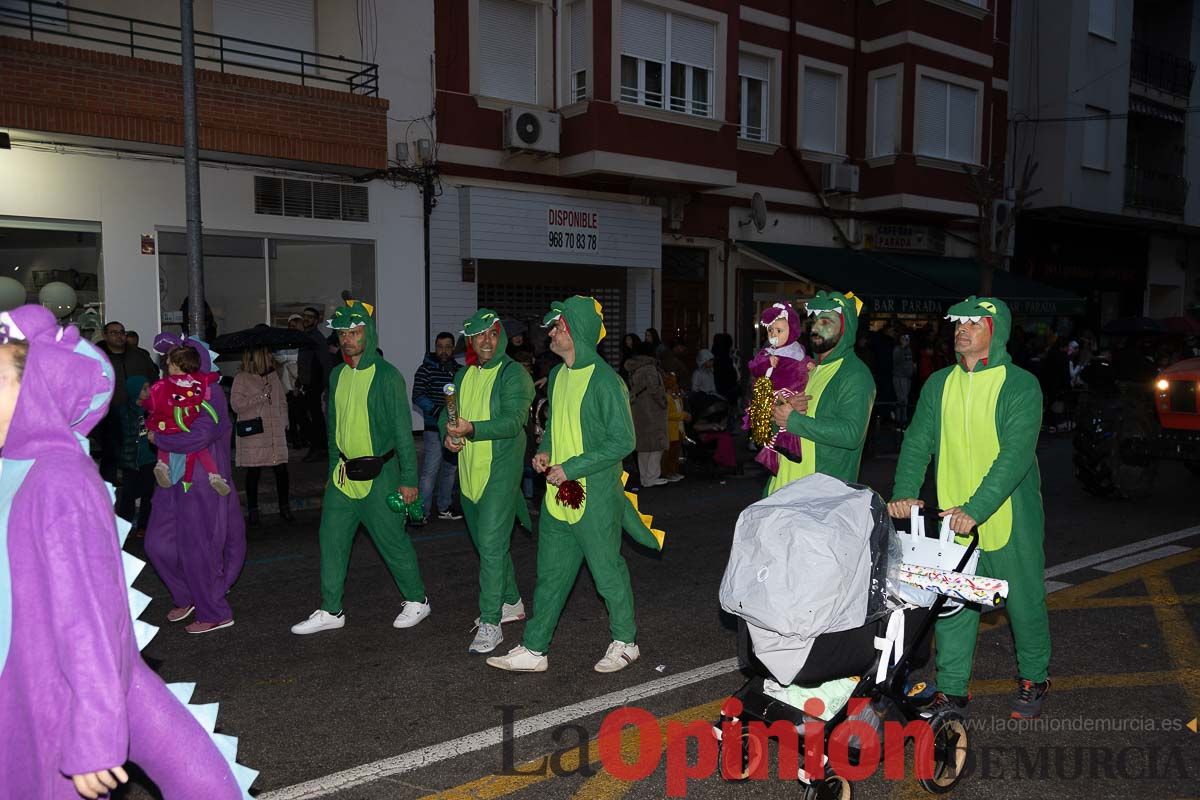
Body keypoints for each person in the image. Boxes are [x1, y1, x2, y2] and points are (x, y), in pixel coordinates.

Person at [0, 305, 254, 800]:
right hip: (24, 680)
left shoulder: (59, 478)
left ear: (37, 389)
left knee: (201, 550)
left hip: (53, 692)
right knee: (164, 545)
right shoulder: (16, 469)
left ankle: (212, 606)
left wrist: (93, 737)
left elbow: (88, 618)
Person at [888, 296, 1051, 720]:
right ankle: (953, 689)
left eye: (974, 324)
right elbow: (917, 441)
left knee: (1024, 600)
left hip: (1008, 516)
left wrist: (977, 506)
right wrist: (905, 491)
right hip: (952, 519)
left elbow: (1015, 455)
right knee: (953, 605)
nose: (962, 330)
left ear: (995, 332)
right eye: (958, 324)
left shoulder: (1020, 385)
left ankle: (1035, 676)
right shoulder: (939, 383)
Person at [488, 296, 660, 674]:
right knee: (549, 576)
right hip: (557, 496)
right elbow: (554, 425)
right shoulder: (556, 375)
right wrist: (546, 452)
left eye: (558, 327)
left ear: (577, 331)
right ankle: (535, 649)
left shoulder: (606, 381)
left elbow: (623, 441)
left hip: (595, 495)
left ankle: (626, 641)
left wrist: (573, 466)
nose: (550, 333)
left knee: (607, 573)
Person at [291, 300, 430, 635]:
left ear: (368, 333)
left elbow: (402, 432)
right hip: (342, 475)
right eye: (342, 334)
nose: (348, 339)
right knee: (331, 539)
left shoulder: (387, 376)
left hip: (381, 475)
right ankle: (331, 610)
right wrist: (329, 475)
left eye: (354, 332)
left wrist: (409, 480)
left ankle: (417, 600)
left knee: (392, 541)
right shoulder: (337, 374)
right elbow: (332, 429)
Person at [440, 309, 536, 654]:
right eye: (479, 335)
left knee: (492, 546)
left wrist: (473, 429)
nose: (486, 341)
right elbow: (445, 416)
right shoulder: (463, 375)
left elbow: (512, 422)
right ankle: (511, 602)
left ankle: (491, 621)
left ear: (502, 337)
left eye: (492, 334)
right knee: (487, 546)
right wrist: (448, 437)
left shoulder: (515, 375)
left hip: (500, 471)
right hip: (469, 474)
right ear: (470, 340)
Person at [144, 339, 246, 635]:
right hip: (170, 481)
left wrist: (158, 439)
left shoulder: (211, 393)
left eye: (173, 364)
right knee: (156, 544)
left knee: (200, 551)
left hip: (202, 484)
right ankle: (189, 596)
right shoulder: (169, 390)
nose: (169, 370)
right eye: (167, 365)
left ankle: (214, 611)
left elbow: (199, 436)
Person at [767, 290, 875, 494]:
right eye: (814, 321)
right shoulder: (805, 367)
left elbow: (851, 434)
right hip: (781, 489)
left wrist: (793, 420)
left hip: (819, 500)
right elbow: (777, 429)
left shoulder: (855, 374)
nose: (816, 327)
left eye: (826, 322)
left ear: (845, 328)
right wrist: (777, 412)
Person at [143, 346, 232, 496]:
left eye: (170, 364)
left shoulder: (168, 384)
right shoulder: (200, 382)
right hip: (186, 429)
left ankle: (162, 466)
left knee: (169, 442)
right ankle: (214, 476)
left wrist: (156, 434)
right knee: (201, 452)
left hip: (195, 476)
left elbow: (201, 436)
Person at [745, 302, 814, 474]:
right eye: (770, 330)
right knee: (781, 419)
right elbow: (754, 367)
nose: (773, 334)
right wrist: (766, 362)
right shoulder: (767, 352)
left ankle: (789, 448)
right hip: (776, 394)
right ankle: (770, 452)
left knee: (791, 423)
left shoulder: (798, 350)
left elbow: (804, 363)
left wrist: (811, 366)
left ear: (792, 329)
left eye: (779, 330)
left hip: (795, 394)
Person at [231, 345, 292, 527]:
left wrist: (284, 421)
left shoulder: (273, 376)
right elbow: (236, 405)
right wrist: (260, 396)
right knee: (253, 471)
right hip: (255, 433)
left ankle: (284, 506)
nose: (270, 357)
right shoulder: (241, 378)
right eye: (267, 354)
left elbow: (282, 401)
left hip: (274, 432)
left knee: (281, 470)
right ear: (258, 356)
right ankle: (253, 509)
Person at [96, 321, 158, 481]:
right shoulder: (97, 357)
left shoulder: (139, 356)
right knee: (111, 453)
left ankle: (139, 488)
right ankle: (108, 490)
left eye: (122, 332)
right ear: (105, 335)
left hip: (139, 412)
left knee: (140, 451)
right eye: (114, 332)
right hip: (109, 413)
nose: (119, 335)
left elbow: (154, 379)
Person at [412, 332, 463, 523]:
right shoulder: (425, 369)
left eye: (448, 346)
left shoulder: (459, 371)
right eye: (440, 346)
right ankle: (422, 512)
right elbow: (417, 395)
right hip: (434, 429)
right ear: (435, 346)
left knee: (450, 471)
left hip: (454, 430)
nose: (443, 350)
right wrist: (438, 412)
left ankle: (444, 507)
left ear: (453, 348)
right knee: (429, 472)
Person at [116, 375, 156, 538]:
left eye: (148, 387)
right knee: (128, 495)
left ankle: (143, 526)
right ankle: (124, 526)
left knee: (148, 493)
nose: (148, 391)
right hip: (130, 459)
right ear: (134, 390)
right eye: (144, 388)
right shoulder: (123, 411)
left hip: (149, 458)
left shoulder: (151, 410)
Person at [626, 343, 669, 487]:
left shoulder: (634, 368)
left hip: (638, 410)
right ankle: (652, 477)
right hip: (652, 411)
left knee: (643, 447)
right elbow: (654, 389)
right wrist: (663, 402)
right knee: (657, 445)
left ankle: (644, 478)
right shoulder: (650, 368)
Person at [297, 305, 333, 463]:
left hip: (314, 383)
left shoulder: (315, 338)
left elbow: (324, 362)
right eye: (305, 316)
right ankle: (320, 446)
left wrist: (324, 384)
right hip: (309, 383)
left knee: (313, 416)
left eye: (310, 317)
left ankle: (318, 447)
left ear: (317, 320)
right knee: (310, 415)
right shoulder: (307, 337)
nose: (306, 319)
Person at [662, 371, 688, 481]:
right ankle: (668, 472)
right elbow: (668, 414)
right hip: (671, 429)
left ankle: (673, 471)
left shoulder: (675, 397)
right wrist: (683, 415)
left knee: (675, 452)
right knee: (670, 453)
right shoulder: (667, 397)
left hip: (678, 429)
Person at [893, 331, 915, 427]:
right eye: (904, 339)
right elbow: (897, 362)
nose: (906, 341)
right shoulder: (898, 349)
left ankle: (903, 418)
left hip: (907, 377)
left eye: (907, 339)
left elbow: (909, 362)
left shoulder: (908, 350)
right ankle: (900, 419)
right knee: (901, 399)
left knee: (904, 398)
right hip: (899, 376)